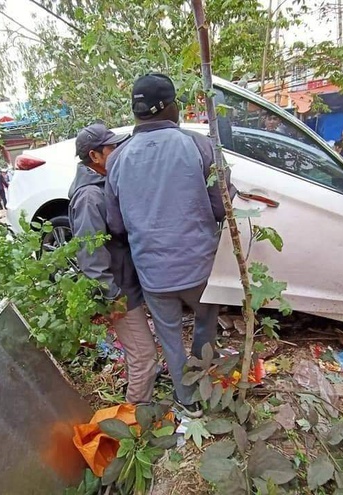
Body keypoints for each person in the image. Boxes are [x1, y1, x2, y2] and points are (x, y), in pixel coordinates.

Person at [105, 73, 235, 417]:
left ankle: (187, 399)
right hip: (199, 267)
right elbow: (222, 206)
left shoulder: (117, 159)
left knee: (170, 337)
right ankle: (205, 377)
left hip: (153, 274)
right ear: (172, 107)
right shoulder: (198, 145)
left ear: (137, 113)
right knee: (205, 322)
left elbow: (115, 225)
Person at [68, 123, 157, 405]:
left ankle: (135, 404)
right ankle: (134, 418)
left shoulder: (102, 184)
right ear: (95, 156)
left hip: (125, 285)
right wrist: (112, 296)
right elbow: (90, 256)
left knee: (137, 353)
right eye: (112, 148)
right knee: (145, 355)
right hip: (118, 292)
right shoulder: (89, 197)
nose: (118, 151)